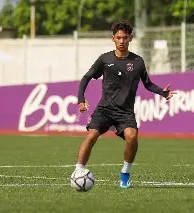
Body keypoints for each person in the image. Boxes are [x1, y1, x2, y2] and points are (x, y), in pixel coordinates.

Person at [73, 20, 176, 189]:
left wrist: (163, 93)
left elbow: (147, 83)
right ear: (113, 38)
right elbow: (86, 78)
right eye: (118, 37)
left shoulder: (138, 62)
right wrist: (81, 99)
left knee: (132, 137)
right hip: (104, 109)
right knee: (91, 136)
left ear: (130, 39)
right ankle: (78, 170)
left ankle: (125, 172)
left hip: (125, 111)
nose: (122, 41)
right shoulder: (105, 59)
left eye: (125, 38)